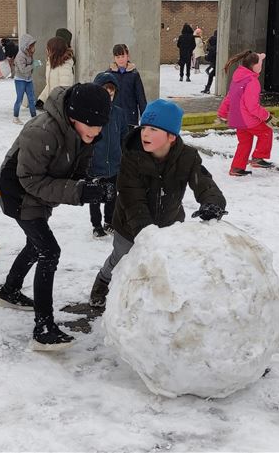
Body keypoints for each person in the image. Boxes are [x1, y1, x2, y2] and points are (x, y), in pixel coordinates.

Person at [0, 82, 114, 350]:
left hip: (40, 192)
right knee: (49, 251)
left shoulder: (85, 133)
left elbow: (78, 170)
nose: (97, 132)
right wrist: (80, 192)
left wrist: (91, 185)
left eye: (100, 126)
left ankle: (9, 291)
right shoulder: (42, 131)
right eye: (92, 125)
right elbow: (30, 180)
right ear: (74, 117)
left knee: (35, 245)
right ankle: (44, 328)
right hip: (20, 193)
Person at [89, 99, 227, 308]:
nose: (145, 134)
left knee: (164, 263)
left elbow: (204, 183)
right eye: (144, 127)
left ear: (171, 136)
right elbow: (131, 196)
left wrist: (212, 203)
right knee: (121, 258)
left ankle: (158, 298)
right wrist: (145, 232)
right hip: (129, 224)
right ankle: (103, 281)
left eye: (153, 129)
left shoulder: (187, 157)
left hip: (169, 222)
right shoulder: (131, 158)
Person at [217, 51, 275, 177]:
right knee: (266, 132)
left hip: (237, 119)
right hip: (248, 119)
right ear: (254, 66)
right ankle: (258, 158)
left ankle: (236, 168)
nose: (261, 67)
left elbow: (229, 98)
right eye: (260, 64)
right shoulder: (252, 82)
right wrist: (266, 116)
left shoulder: (237, 79)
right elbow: (252, 106)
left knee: (244, 142)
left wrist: (222, 112)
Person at [87, 72, 128, 238]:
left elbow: (124, 135)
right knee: (94, 196)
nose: (109, 95)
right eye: (105, 92)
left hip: (114, 162)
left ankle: (109, 221)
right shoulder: (91, 113)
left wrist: (125, 153)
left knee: (112, 195)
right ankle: (96, 224)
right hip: (95, 163)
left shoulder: (118, 113)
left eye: (112, 92)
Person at [107, 44, 147, 128]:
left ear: (127, 56)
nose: (121, 59)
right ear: (114, 58)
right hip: (113, 116)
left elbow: (140, 96)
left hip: (130, 116)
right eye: (118, 57)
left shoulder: (134, 74)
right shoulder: (109, 74)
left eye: (122, 56)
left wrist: (145, 116)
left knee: (128, 139)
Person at [36, 36, 74, 108]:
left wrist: (59, 104)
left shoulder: (65, 66)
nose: (46, 50)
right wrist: (41, 99)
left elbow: (65, 88)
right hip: (53, 103)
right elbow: (49, 85)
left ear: (54, 51)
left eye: (48, 49)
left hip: (60, 104)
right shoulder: (50, 64)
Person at [12, 33, 38, 125]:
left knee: (31, 98)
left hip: (28, 79)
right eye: (32, 46)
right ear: (26, 46)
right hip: (20, 80)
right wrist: (33, 65)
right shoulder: (20, 56)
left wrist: (34, 64)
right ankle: (15, 117)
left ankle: (34, 117)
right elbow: (23, 70)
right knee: (19, 99)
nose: (33, 48)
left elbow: (30, 67)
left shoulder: (29, 54)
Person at [201, 29, 217, 94]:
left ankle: (207, 89)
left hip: (217, 65)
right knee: (211, 75)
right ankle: (207, 88)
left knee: (211, 75)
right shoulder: (219, 45)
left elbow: (208, 58)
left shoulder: (212, 48)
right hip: (218, 64)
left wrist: (205, 57)